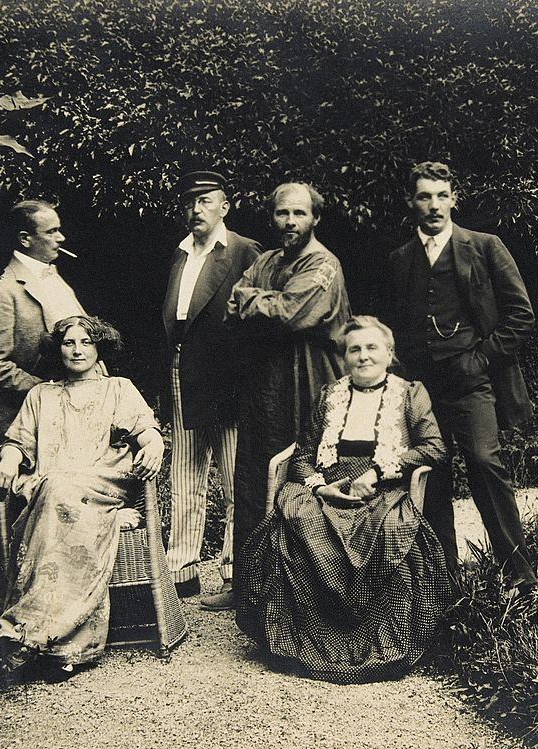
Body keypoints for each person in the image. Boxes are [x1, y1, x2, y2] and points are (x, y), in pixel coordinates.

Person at [235, 316, 451, 682]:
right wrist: (320, 487)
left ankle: (373, 634)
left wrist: (380, 471)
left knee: (388, 529)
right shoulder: (330, 395)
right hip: (330, 484)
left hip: (383, 489)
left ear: (389, 353)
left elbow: (434, 448)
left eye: (371, 348)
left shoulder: (410, 394)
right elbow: (303, 455)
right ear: (345, 357)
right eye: (355, 350)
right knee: (297, 516)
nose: (363, 357)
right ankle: (304, 636)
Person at [384, 161, 537, 595]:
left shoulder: (485, 246)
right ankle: (444, 580)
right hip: (423, 391)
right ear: (411, 202)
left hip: (472, 383)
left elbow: (521, 315)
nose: (433, 206)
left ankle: (519, 575)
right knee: (430, 475)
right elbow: (396, 325)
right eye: (424, 196)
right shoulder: (400, 259)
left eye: (441, 195)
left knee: (486, 464)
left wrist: (482, 359)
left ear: (454, 198)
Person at [0, 315, 165, 677]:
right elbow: (18, 442)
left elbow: (145, 429)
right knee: (55, 488)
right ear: (59, 350)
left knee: (57, 488)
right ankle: (62, 648)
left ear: (99, 347)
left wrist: (155, 444)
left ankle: (24, 629)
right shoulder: (42, 395)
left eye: (86, 342)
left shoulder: (118, 388)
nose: (77, 350)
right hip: (54, 489)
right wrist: (8, 459)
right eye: (69, 343)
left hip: (101, 482)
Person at [220, 182, 352, 611]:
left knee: (303, 475)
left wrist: (255, 303)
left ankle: (304, 592)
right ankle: (247, 587)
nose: (289, 222)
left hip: (310, 382)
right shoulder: (266, 260)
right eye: (282, 214)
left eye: (298, 213)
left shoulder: (324, 264)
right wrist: (259, 302)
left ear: (315, 218)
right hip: (263, 383)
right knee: (254, 476)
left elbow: (294, 314)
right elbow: (232, 302)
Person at [161, 170, 262, 601]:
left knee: (235, 476)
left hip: (228, 378)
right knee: (184, 475)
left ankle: (236, 572)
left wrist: (246, 378)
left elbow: (257, 324)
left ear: (225, 205)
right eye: (189, 202)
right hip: (184, 370)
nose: (196, 209)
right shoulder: (180, 256)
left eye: (205, 201)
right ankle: (181, 570)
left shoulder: (243, 252)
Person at [0, 200, 92, 437]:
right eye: (51, 232)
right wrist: (46, 390)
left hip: (74, 414)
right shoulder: (4, 290)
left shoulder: (54, 277)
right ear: (25, 239)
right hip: (27, 423)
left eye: (59, 229)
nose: (61, 238)